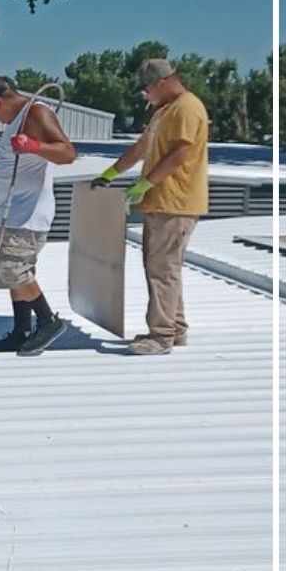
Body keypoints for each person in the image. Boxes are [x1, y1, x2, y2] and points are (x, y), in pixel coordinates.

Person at [91, 58, 209, 355]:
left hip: (176, 203)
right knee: (163, 268)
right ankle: (175, 328)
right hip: (161, 202)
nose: (145, 95)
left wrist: (147, 183)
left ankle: (160, 337)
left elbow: (181, 153)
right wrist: (110, 173)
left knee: (162, 269)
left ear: (161, 82)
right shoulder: (164, 111)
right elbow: (141, 148)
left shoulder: (187, 107)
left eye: (146, 88)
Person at [0, 76, 77, 356]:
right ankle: (21, 331)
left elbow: (67, 153)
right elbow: (12, 154)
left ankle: (47, 321)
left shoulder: (37, 113)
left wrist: (34, 146)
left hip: (28, 213)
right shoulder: (15, 121)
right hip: (11, 211)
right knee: (11, 275)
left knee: (14, 270)